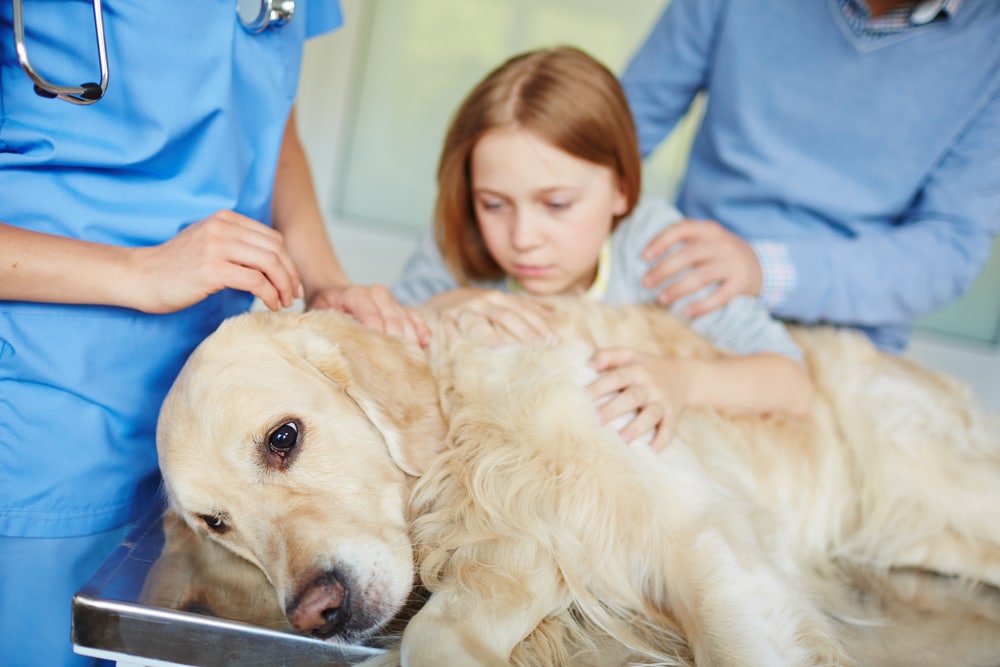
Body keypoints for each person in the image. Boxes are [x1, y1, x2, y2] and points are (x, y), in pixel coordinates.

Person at [0, 3, 424, 666]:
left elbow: (269, 120)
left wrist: (323, 275)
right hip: (55, 420)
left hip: (223, 390)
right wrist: (139, 271)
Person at [392, 46, 814, 453]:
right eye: (494, 204)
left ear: (621, 191)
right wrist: (445, 303)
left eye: (556, 204)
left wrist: (683, 381)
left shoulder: (658, 249)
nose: (522, 237)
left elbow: (791, 383)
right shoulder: (458, 228)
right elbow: (385, 336)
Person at [620, 0, 1000, 354]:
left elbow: (949, 249)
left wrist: (763, 269)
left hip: (845, 342)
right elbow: (618, 137)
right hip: (689, 287)